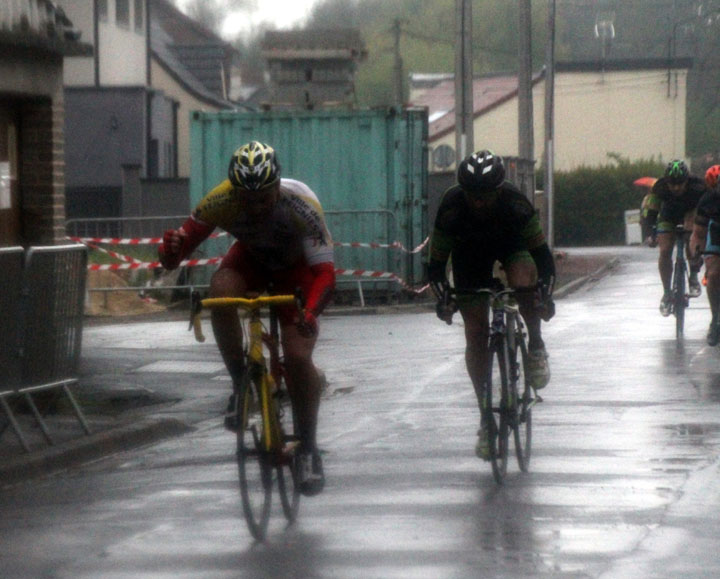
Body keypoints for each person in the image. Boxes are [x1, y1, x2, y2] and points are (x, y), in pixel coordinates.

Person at [159, 141, 335, 496]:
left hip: (296, 270)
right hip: (251, 261)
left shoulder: (301, 204)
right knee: (220, 290)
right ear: (233, 191)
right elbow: (170, 262)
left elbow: (326, 274)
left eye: (263, 199)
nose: (254, 207)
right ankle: (240, 381)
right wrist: (170, 248)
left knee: (299, 357)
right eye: (246, 199)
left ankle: (308, 447)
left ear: (277, 186)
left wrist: (311, 314)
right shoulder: (219, 200)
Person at [426, 150, 556, 460]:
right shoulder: (452, 206)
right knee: (475, 333)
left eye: (485, 194)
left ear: (498, 190)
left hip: (511, 246)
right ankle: (486, 419)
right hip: (469, 256)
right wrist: (443, 296)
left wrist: (544, 295)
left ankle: (535, 346)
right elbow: (436, 264)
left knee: (525, 280)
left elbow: (542, 257)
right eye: (472, 194)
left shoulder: (515, 204)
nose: (478, 201)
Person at [645, 160, 706, 315]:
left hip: (690, 213)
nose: (677, 187)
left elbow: (707, 208)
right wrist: (650, 234)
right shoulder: (659, 187)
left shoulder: (698, 187)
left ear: (687, 180)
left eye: (680, 183)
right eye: (672, 184)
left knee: (690, 239)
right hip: (668, 215)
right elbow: (652, 212)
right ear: (667, 182)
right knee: (665, 251)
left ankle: (693, 277)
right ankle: (666, 293)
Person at [690, 165, 720, 345]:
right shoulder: (707, 201)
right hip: (716, 232)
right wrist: (696, 256)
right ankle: (715, 318)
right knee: (714, 273)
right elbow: (699, 234)